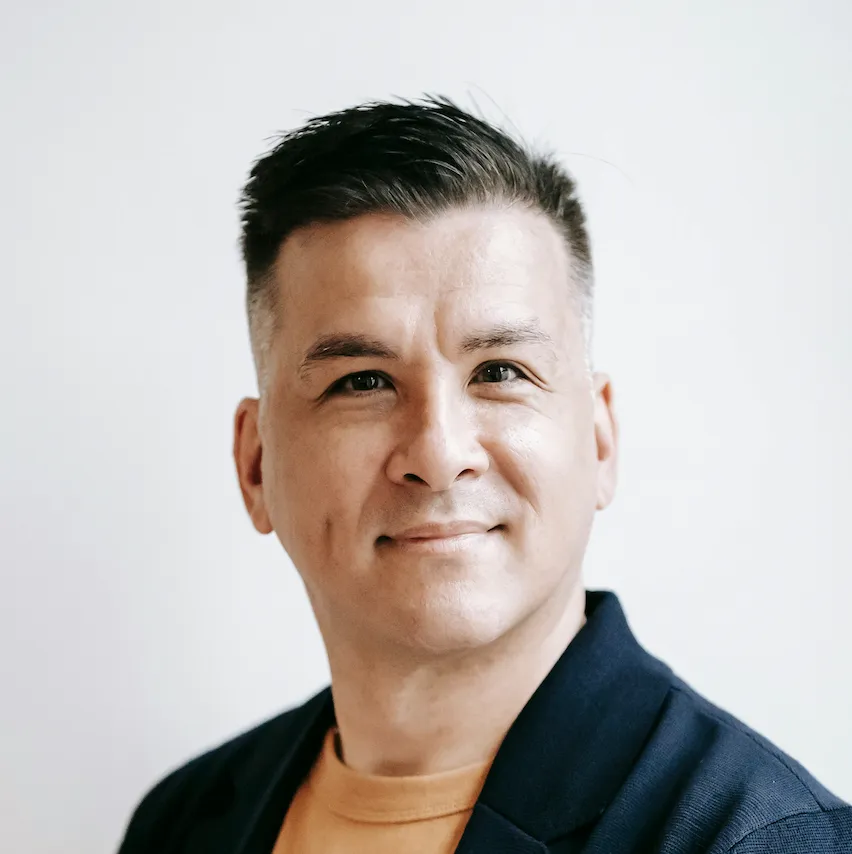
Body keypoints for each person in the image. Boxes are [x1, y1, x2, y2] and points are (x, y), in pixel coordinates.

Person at [116, 96, 852, 854]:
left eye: (500, 371)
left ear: (599, 441)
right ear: (255, 464)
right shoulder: (180, 824)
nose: (438, 453)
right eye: (363, 381)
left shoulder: (759, 838)